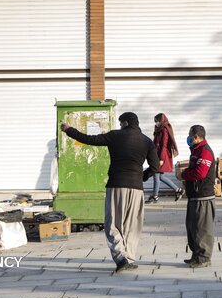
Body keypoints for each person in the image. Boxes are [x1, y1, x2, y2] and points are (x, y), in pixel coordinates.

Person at [60, 112, 159, 273]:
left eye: (121, 123)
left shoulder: (115, 136)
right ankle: (130, 258)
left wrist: (69, 130)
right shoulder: (147, 141)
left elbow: (89, 139)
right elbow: (155, 167)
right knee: (132, 226)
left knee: (112, 224)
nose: (120, 126)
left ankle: (121, 258)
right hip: (136, 189)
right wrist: (141, 177)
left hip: (117, 185)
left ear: (125, 123)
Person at [180, 125, 216, 268]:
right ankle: (196, 255)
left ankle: (204, 257)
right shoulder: (196, 150)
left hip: (203, 197)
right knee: (192, 227)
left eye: (190, 135)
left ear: (196, 137)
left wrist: (183, 175)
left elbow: (200, 173)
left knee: (202, 228)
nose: (188, 138)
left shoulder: (205, 151)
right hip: (194, 196)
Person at [146, 113, 184, 204]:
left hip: (161, 156)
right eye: (155, 121)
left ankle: (155, 196)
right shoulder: (160, 129)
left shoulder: (164, 130)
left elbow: (163, 145)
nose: (156, 123)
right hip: (158, 155)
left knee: (156, 175)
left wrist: (161, 159)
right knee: (161, 176)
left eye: (157, 121)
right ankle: (178, 190)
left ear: (161, 120)